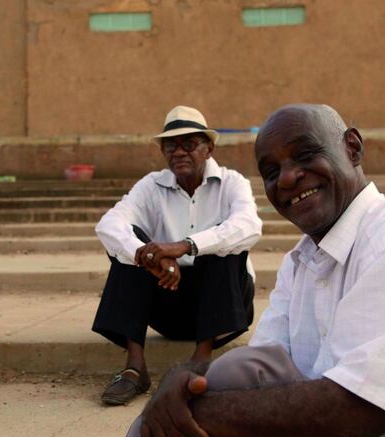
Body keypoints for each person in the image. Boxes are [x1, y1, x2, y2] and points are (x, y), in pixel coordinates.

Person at [120, 104, 385, 437]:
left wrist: (195, 415)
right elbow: (259, 367)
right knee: (219, 384)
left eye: (305, 155)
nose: (287, 178)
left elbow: (364, 408)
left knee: (185, 423)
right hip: (345, 428)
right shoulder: (301, 260)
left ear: (352, 148)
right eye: (271, 172)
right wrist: (184, 376)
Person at [92, 105, 263, 406]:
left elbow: (249, 226)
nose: (179, 152)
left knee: (224, 242)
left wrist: (185, 246)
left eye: (189, 144)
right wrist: (153, 258)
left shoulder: (232, 182)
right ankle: (135, 367)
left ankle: (202, 358)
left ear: (208, 149)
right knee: (130, 245)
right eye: (171, 146)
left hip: (224, 306)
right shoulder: (151, 185)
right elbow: (109, 224)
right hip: (167, 302)